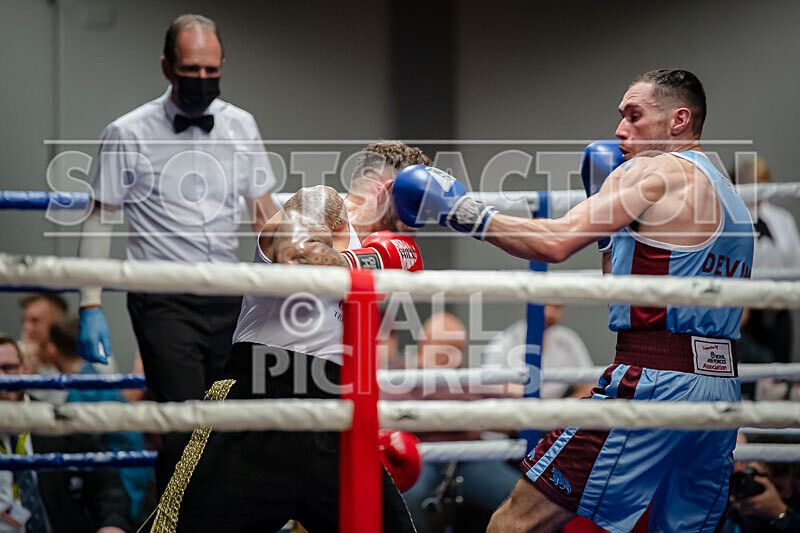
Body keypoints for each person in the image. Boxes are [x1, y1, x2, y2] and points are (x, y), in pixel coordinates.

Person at [392, 69, 755, 532]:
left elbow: (555, 242)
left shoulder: (659, 169)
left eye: (634, 115)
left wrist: (462, 212)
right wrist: (612, 239)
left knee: (515, 523)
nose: (621, 130)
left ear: (679, 120)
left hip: (651, 384)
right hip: (720, 390)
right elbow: (624, 291)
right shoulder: (733, 199)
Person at [165, 141, 428, 532]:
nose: (416, 224)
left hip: (335, 416)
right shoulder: (322, 202)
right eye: (417, 202)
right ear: (384, 187)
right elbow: (296, 253)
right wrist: (369, 262)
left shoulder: (383, 248)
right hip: (259, 400)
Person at [76, 13, 277, 492]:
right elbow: (100, 216)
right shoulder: (127, 132)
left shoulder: (241, 125)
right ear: (167, 68)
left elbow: (264, 214)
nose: (203, 80)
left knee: (230, 428)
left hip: (231, 296)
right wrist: (89, 304)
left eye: (212, 71)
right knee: (184, 432)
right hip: (162, 298)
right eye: (192, 71)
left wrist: (287, 286)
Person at [399, 313, 520, 533]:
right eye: (446, 347)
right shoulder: (401, 375)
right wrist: (471, 414)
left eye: (459, 348)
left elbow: (516, 414)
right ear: (425, 344)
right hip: (421, 458)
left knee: (520, 498)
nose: (454, 355)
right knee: (407, 499)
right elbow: (400, 417)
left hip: (471, 458)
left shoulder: (468, 379)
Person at [0, 336, 132, 533]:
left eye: (8, 367)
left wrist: (112, 524)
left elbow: (107, 481)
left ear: (24, 371)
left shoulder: (55, 419)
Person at [44, 317, 153, 523]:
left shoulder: (79, 393)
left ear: (52, 350)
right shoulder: (94, 377)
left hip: (121, 494)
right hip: (133, 488)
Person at [733, 156, 799, 364]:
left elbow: (796, 263)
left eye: (762, 179)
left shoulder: (782, 219)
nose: (758, 185)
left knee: (780, 372)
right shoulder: (733, 217)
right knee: (751, 375)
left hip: (780, 308)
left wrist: (785, 296)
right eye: (752, 180)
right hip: (746, 310)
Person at [483, 304, 595, 399]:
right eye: (544, 304)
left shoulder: (568, 341)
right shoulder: (505, 341)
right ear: (528, 306)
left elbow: (589, 386)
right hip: (514, 417)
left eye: (557, 307)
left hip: (557, 417)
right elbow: (492, 387)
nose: (550, 313)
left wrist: (561, 410)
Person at [725, 435, 800, 532]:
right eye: (753, 477)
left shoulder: (796, 500)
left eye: (778, 488)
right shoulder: (737, 496)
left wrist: (781, 513)